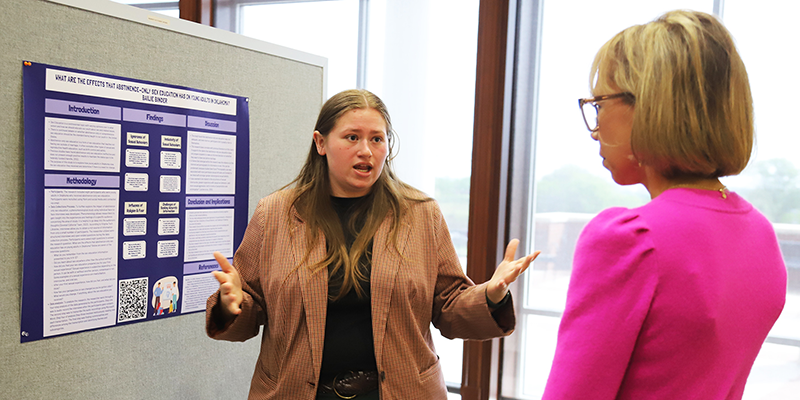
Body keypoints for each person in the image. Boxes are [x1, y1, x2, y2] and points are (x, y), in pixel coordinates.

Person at [206, 89, 540, 399]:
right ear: (321, 143)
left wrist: (491, 297)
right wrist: (230, 302)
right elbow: (249, 308)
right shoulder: (276, 213)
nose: (366, 151)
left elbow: (449, 307)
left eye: (377, 139)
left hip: (403, 391)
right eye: (352, 137)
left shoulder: (421, 215)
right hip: (296, 391)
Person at [542, 10, 787, 400]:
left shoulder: (630, 239)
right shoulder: (760, 234)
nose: (595, 127)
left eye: (599, 103)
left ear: (648, 105)